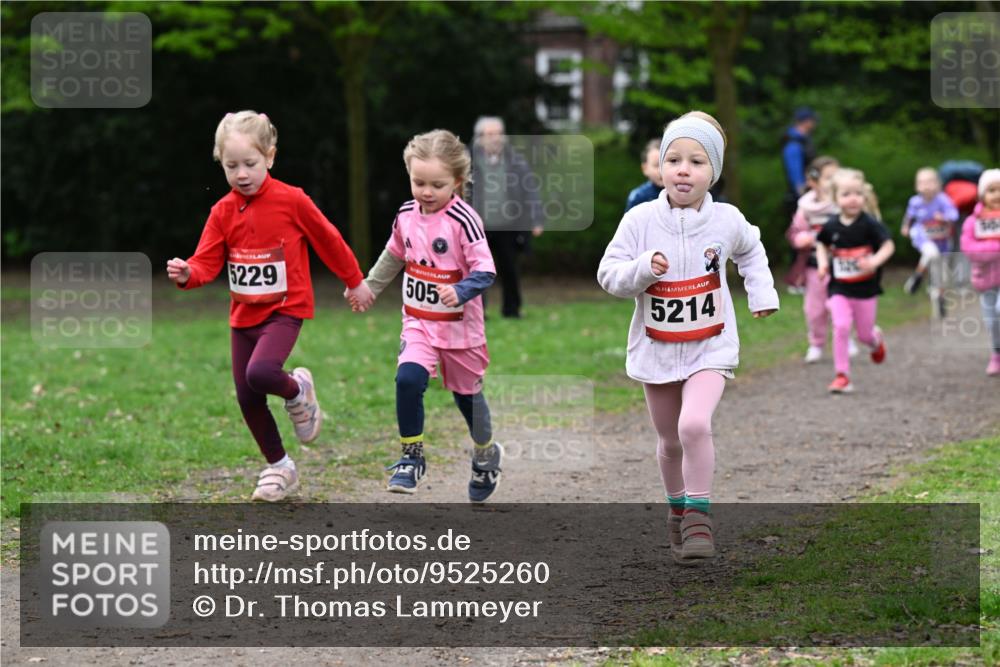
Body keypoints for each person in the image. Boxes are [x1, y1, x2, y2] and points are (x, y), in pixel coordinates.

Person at [597, 111, 779, 565]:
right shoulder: (639, 220)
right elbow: (608, 275)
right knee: (670, 441)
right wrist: (643, 269)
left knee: (694, 425)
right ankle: (677, 508)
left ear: (712, 171)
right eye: (673, 158)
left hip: (709, 345)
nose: (683, 169)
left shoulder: (727, 220)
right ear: (659, 165)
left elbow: (752, 252)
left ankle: (699, 514)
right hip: (656, 348)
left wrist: (762, 292)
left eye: (697, 161)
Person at [167, 110, 373, 502]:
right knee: (247, 395)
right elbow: (206, 261)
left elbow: (328, 240)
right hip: (243, 315)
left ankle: (297, 390)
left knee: (261, 372)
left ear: (271, 157)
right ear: (221, 163)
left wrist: (355, 281)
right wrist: (187, 273)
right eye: (231, 166)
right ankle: (280, 466)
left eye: (250, 163)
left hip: (285, 309)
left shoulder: (291, 201)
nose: (241, 173)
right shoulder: (222, 211)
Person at [347, 129, 504, 501]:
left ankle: (485, 453)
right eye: (419, 182)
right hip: (418, 322)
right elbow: (394, 254)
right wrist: (369, 286)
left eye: (437, 184)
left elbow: (486, 270)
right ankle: (411, 457)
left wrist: (460, 291)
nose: (426, 191)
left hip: (459, 330)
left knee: (468, 400)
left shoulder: (464, 220)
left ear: (457, 182)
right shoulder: (405, 214)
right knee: (407, 379)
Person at [816, 169, 895, 394]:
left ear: (864, 197)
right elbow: (821, 243)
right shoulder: (831, 226)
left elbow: (889, 245)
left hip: (865, 289)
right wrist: (822, 263)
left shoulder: (869, 224)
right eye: (846, 194)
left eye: (858, 194)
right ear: (835, 198)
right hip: (839, 287)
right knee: (840, 326)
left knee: (863, 334)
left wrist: (874, 261)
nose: (853, 198)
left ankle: (875, 341)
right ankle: (842, 375)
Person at [785, 156, 860, 363]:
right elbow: (794, 232)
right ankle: (816, 343)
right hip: (813, 267)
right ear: (813, 181)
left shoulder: (843, 204)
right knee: (814, 309)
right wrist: (802, 239)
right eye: (828, 178)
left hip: (842, 266)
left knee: (843, 305)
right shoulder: (805, 207)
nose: (833, 182)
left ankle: (846, 338)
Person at [469, 116, 542, 318]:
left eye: (498, 134)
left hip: (509, 225)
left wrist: (536, 219)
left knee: (510, 269)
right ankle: (478, 312)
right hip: (477, 227)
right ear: (480, 138)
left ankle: (512, 310)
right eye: (489, 134)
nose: (494, 138)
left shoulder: (516, 160)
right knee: (477, 270)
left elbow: (530, 190)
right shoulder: (468, 160)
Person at [901, 168, 960, 319]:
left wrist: (944, 217)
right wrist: (906, 227)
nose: (926, 185)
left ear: (938, 184)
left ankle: (938, 299)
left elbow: (954, 214)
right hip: (922, 235)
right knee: (930, 253)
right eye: (922, 182)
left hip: (942, 240)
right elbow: (909, 218)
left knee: (939, 273)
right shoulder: (915, 202)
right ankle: (918, 276)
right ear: (916, 186)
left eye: (930, 181)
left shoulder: (943, 199)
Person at [959, 169, 1000, 376]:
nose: (997, 195)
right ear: (982, 195)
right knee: (993, 322)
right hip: (986, 281)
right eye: (992, 190)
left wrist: (988, 246)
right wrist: (996, 247)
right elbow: (970, 251)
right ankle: (997, 354)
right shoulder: (972, 222)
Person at [781, 106, 818, 223]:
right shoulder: (794, 143)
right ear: (806, 121)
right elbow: (795, 173)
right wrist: (803, 197)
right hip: (801, 197)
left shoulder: (802, 140)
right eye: (812, 120)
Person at [625, 139, 665, 212]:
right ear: (645, 168)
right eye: (656, 165)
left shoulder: (680, 193)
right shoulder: (638, 197)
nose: (661, 171)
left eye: (665, 164)